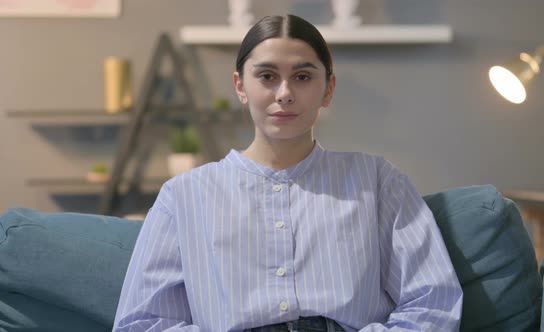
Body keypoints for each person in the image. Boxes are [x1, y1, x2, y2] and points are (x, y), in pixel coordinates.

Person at [112, 14, 463, 332]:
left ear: (328, 88)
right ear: (239, 86)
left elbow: (433, 302)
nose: (284, 94)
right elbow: (141, 323)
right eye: (266, 76)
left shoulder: (378, 181)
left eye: (302, 77)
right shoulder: (183, 196)